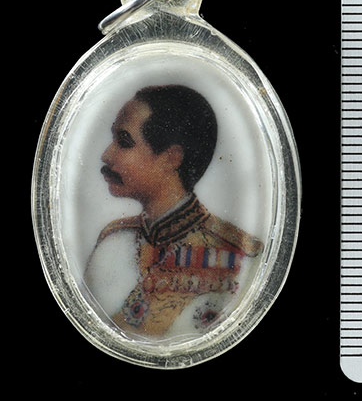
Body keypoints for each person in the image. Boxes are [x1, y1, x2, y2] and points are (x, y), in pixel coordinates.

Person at [84, 84, 263, 338]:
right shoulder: (112, 240)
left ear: (171, 158)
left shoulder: (238, 254)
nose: (106, 155)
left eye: (124, 142)